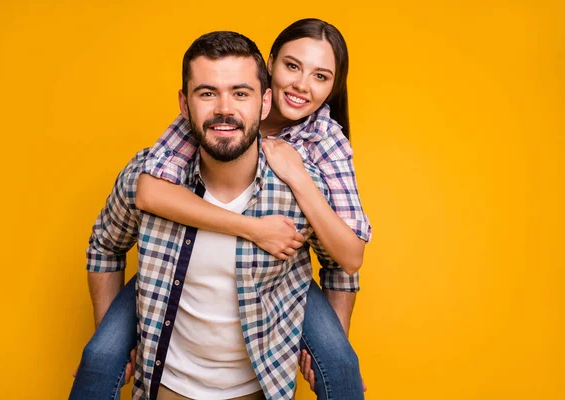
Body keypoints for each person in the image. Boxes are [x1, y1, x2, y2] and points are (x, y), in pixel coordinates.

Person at [71, 20, 371, 400]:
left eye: (321, 76)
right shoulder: (196, 127)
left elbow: (347, 258)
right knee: (98, 358)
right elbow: (146, 190)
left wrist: (297, 177)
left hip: (281, 298)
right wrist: (252, 228)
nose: (300, 85)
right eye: (292, 67)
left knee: (342, 366)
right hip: (166, 360)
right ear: (272, 63)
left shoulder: (323, 143)